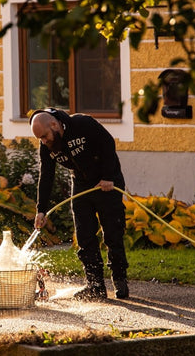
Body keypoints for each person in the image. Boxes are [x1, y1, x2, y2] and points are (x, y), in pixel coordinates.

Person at [31, 108, 129, 302]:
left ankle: (120, 280)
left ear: (54, 125)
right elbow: (47, 176)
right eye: (40, 139)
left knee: (112, 233)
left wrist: (108, 177)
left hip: (106, 183)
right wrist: (41, 210)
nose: (44, 141)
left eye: (44, 136)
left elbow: (108, 144)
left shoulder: (83, 124)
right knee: (84, 236)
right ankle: (95, 286)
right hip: (81, 186)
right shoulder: (48, 146)